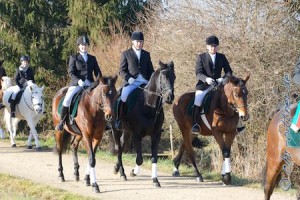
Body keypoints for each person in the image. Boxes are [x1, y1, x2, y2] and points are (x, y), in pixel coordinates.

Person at [192, 35, 245, 133]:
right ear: (207, 46)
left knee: (233, 98)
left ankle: (238, 124)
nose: (213, 48)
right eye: (211, 46)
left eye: (215, 46)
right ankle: (195, 124)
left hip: (219, 85)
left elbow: (229, 71)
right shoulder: (201, 57)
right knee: (198, 100)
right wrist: (206, 79)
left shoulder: (222, 57)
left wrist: (222, 79)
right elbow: (198, 73)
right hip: (204, 85)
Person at [55, 35, 102, 131]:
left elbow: (98, 73)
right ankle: (61, 122)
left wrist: (96, 83)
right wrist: (78, 81)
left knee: (102, 98)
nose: (84, 47)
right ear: (78, 46)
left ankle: (105, 122)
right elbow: (71, 72)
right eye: (82, 45)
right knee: (67, 99)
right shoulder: (74, 57)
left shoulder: (92, 58)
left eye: (85, 45)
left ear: (88, 46)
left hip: (90, 84)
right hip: (77, 84)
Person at [115, 31, 154, 130]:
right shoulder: (126, 54)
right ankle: (119, 119)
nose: (139, 44)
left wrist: (152, 80)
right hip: (131, 82)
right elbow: (121, 71)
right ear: (132, 42)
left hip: (145, 82)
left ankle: (156, 121)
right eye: (137, 42)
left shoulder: (146, 54)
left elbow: (151, 70)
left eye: (141, 42)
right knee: (123, 96)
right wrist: (129, 78)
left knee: (156, 96)